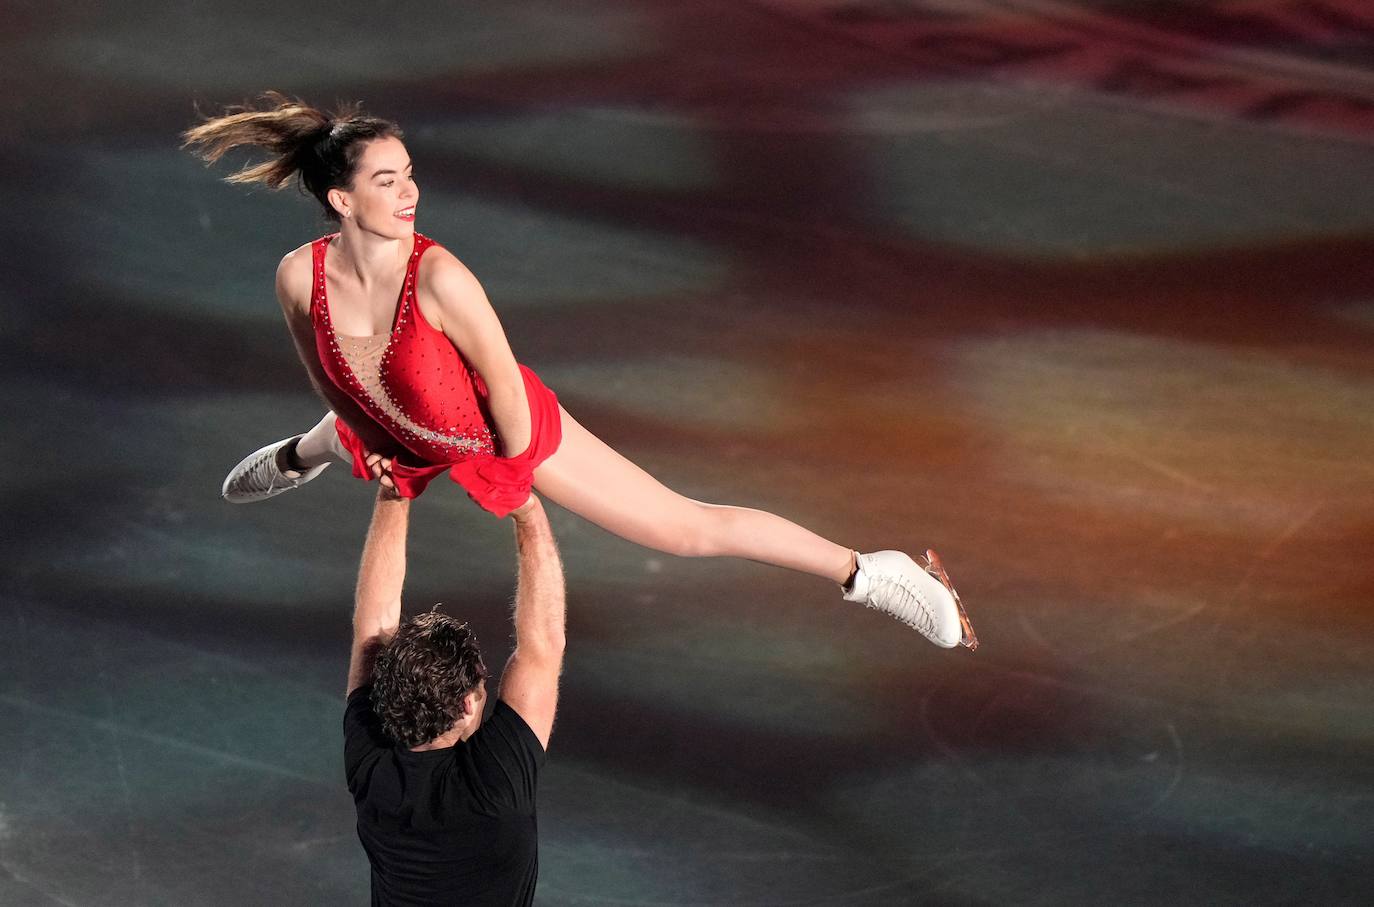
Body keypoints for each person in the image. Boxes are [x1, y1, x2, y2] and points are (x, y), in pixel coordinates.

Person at [183, 93, 977, 651]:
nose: (410, 192)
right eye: (386, 182)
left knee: (683, 529)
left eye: (410, 173)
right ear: (341, 200)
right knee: (351, 425)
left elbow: (505, 391)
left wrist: (511, 479)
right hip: (389, 414)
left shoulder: (441, 279)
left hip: (496, 428)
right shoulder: (299, 276)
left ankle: (872, 571)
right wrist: (364, 433)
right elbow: (329, 372)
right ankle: (310, 450)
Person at [345, 484, 564, 906]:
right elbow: (542, 646)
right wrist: (527, 511)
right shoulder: (494, 787)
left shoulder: (371, 768)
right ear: (466, 704)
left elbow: (373, 629)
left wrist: (395, 485)